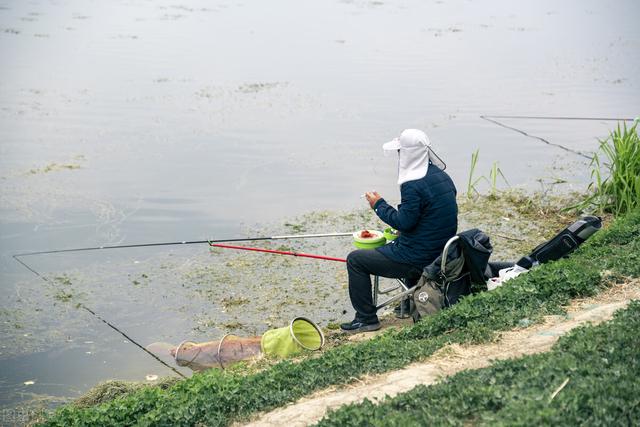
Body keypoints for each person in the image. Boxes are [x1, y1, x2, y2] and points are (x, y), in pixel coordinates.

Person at [340, 129, 458, 332]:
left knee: (355, 260)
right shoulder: (442, 176)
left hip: (418, 259)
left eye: (400, 153)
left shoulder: (413, 184)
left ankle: (366, 318)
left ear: (408, 155)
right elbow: (429, 217)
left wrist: (379, 204)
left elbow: (404, 222)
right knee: (401, 239)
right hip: (442, 254)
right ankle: (408, 303)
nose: (398, 157)